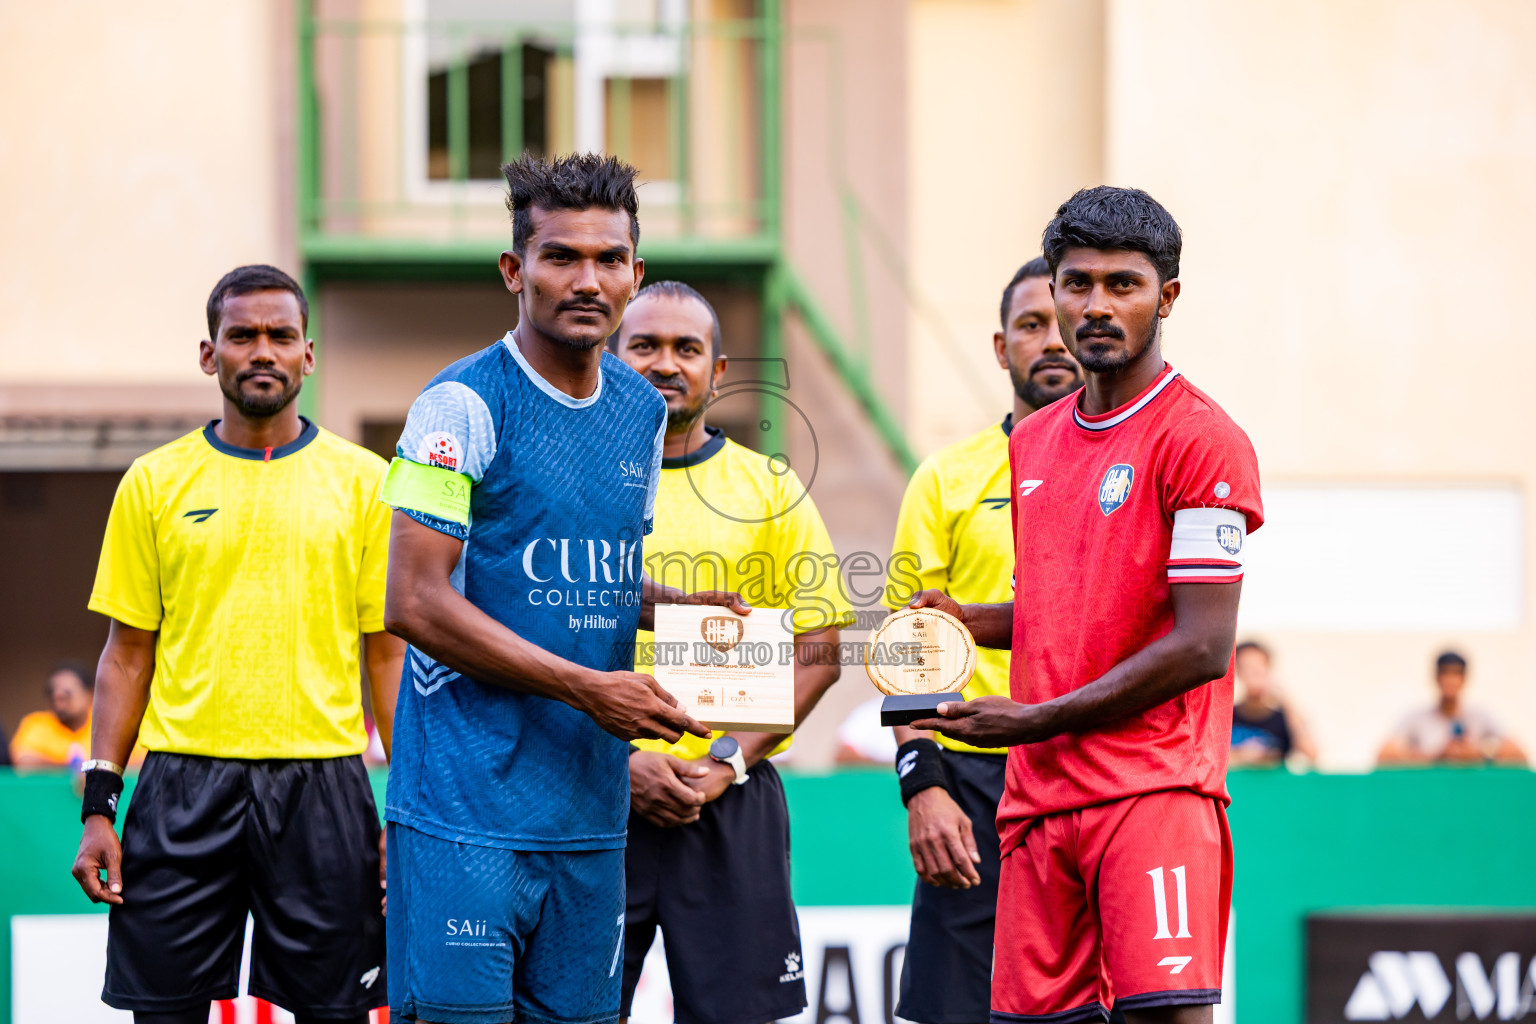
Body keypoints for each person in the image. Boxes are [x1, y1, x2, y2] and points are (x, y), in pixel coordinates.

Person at [380, 155, 747, 1024]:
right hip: (464, 816)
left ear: (635, 274)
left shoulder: (641, 411)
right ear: (515, 270)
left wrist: (675, 609)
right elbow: (415, 600)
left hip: (589, 821)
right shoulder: (459, 404)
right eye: (561, 257)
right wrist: (589, 688)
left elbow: (584, 570)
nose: (588, 281)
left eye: (609, 258)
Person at [910, 186, 1263, 1024]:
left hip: (1153, 793)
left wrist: (1037, 719)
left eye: (1123, 284)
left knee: (1163, 1016)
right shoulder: (1033, 441)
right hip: (1037, 805)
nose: (1096, 305)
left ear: (1166, 298)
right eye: (1078, 283)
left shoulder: (1202, 437)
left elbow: (1203, 645)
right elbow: (1066, 611)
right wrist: (970, 620)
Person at [70, 264, 404, 1024]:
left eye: (280, 335)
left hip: (323, 785)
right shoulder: (153, 482)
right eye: (242, 335)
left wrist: (407, 811)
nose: (262, 351)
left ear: (307, 354)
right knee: (164, 1013)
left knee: (337, 1013)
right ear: (208, 353)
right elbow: (126, 655)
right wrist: (99, 810)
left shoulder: (366, 482)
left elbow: (387, 656)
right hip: (181, 786)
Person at [608, 280, 852, 1024]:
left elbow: (820, 650)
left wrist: (726, 762)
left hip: (728, 796)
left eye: (686, 348)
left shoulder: (770, 488)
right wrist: (619, 765)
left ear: (717, 372)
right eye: (644, 345)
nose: (665, 363)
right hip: (594, 795)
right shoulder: (570, 484)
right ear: (612, 361)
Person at [884, 256, 1083, 1024]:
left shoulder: (1133, 470)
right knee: (954, 1009)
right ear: (1001, 348)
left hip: (1093, 765)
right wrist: (923, 786)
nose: (1051, 341)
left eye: (1059, 323)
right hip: (973, 777)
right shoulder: (945, 477)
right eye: (1030, 326)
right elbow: (911, 645)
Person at [1377, 651, 1526, 765]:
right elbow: (1385, 754)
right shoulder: (1416, 717)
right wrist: (1437, 756)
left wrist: (1479, 754)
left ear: (1464, 679)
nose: (1450, 680)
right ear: (1436, 677)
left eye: (1456, 674)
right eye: (1445, 673)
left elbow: (1519, 753)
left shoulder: (1481, 716)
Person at [1229, 640, 1316, 766]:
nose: (1254, 674)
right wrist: (1240, 755)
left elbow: (1311, 754)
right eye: (1247, 668)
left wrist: (1285, 699)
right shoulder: (1227, 716)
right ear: (1237, 672)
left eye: (1259, 667)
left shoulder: (1283, 717)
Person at [10, 662, 94, 767]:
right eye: (53, 696)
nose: (59, 704)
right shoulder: (38, 723)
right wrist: (73, 766)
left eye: (66, 695)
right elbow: (23, 761)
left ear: (89, 694)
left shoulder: (103, 724)